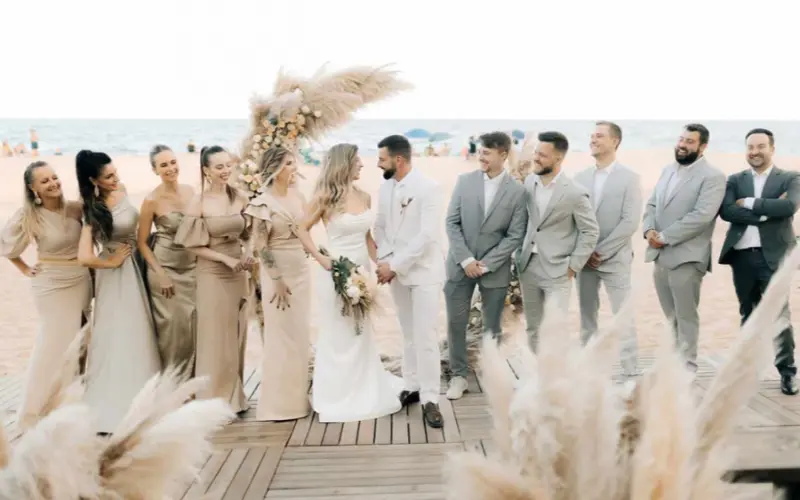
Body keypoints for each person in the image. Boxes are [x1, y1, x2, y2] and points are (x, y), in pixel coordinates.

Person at [303, 143, 404, 422]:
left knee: (361, 331)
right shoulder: (325, 198)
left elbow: (368, 239)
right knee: (338, 332)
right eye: (357, 161)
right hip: (336, 272)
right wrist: (321, 259)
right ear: (344, 164)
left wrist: (381, 264)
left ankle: (364, 386)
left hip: (362, 272)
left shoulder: (364, 196)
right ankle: (336, 393)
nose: (362, 165)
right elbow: (300, 229)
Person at [76, 150, 161, 434]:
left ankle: (146, 402)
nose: (116, 179)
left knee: (140, 330)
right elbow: (84, 256)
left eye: (116, 173)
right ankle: (115, 407)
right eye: (108, 177)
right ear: (93, 180)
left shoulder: (121, 190)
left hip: (135, 266)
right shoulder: (91, 208)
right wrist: (110, 261)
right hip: (114, 275)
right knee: (117, 333)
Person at [1, 161, 92, 430]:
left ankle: (67, 405)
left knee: (78, 344)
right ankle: (31, 414)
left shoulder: (75, 209)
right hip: (51, 285)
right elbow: (7, 248)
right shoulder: (29, 215)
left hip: (80, 281)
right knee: (51, 346)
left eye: (54, 177)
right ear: (33, 188)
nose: (53, 183)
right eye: (44, 181)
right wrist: (26, 269)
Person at [443, 131, 527, 400]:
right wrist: (466, 259)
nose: (481, 155)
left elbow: (515, 235)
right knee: (456, 322)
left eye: (487, 152)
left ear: (503, 155)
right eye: (480, 151)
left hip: (495, 269)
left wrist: (487, 264)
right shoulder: (464, 182)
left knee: (492, 326)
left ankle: (492, 372)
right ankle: (458, 376)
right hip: (460, 264)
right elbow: (451, 222)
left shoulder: (517, 192)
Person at [245, 146, 327, 421]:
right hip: (277, 274)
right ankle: (276, 407)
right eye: (289, 163)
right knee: (281, 337)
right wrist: (276, 279)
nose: (295, 168)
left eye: (294, 162)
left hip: (301, 271)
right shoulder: (262, 202)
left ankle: (297, 401)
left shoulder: (299, 196)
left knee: (299, 335)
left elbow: (303, 230)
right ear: (276, 168)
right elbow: (261, 246)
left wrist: (316, 253)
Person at [719, 128, 800, 394]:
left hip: (775, 257)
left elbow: (789, 207)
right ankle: (744, 372)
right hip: (742, 256)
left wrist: (751, 202)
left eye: (760, 146)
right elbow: (728, 211)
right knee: (748, 315)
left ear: (772, 149)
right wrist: (765, 213)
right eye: (750, 147)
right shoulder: (735, 179)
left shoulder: (790, 178)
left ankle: (787, 372)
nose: (754, 152)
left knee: (780, 316)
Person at [174, 146, 253, 415]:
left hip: (238, 272)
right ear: (206, 170)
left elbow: (249, 233)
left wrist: (249, 254)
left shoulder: (240, 196)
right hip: (212, 272)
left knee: (235, 333)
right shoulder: (199, 202)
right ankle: (211, 401)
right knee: (213, 336)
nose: (225, 171)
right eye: (218, 167)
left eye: (228, 165)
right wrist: (224, 260)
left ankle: (234, 397)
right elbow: (190, 245)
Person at [374, 134, 445, 428]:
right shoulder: (385, 187)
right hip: (395, 271)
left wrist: (396, 264)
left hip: (424, 272)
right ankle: (412, 386)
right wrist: (384, 261)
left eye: (382, 159)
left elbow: (426, 236)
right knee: (407, 332)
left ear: (398, 160)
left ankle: (431, 398)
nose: (378, 164)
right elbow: (380, 226)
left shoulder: (429, 188)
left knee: (426, 336)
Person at [642, 124, 725, 372]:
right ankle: (674, 362)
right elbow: (652, 204)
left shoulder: (713, 176)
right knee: (670, 316)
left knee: (686, 315)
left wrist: (665, 236)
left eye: (690, 141)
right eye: (681, 139)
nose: (682, 144)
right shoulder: (668, 170)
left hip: (688, 256)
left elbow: (702, 216)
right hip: (660, 254)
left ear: (702, 147)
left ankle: (687, 367)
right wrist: (648, 231)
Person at [516, 131, 599, 352]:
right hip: (527, 266)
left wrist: (573, 265)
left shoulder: (574, 192)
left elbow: (590, 231)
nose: (536, 158)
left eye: (542, 155)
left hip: (558, 270)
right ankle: (537, 375)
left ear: (558, 158)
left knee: (555, 328)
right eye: (536, 153)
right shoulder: (529, 183)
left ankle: (556, 377)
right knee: (533, 328)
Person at [574, 121, 642, 376]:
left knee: (623, 316)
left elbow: (630, 221)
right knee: (587, 317)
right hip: (584, 260)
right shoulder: (579, 178)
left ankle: (631, 371)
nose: (593, 140)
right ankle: (588, 370)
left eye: (599, 136)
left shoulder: (630, 178)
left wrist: (600, 251)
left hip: (615, 259)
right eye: (592, 135)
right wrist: (585, 251)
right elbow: (575, 219)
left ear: (615, 141)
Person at [137, 145, 197, 379]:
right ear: (155, 170)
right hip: (165, 269)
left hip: (192, 267)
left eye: (173, 162)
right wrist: (160, 273)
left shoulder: (191, 191)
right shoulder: (151, 200)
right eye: (164, 165)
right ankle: (170, 384)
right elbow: (142, 242)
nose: (171, 168)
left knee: (192, 328)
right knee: (172, 329)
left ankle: (191, 385)